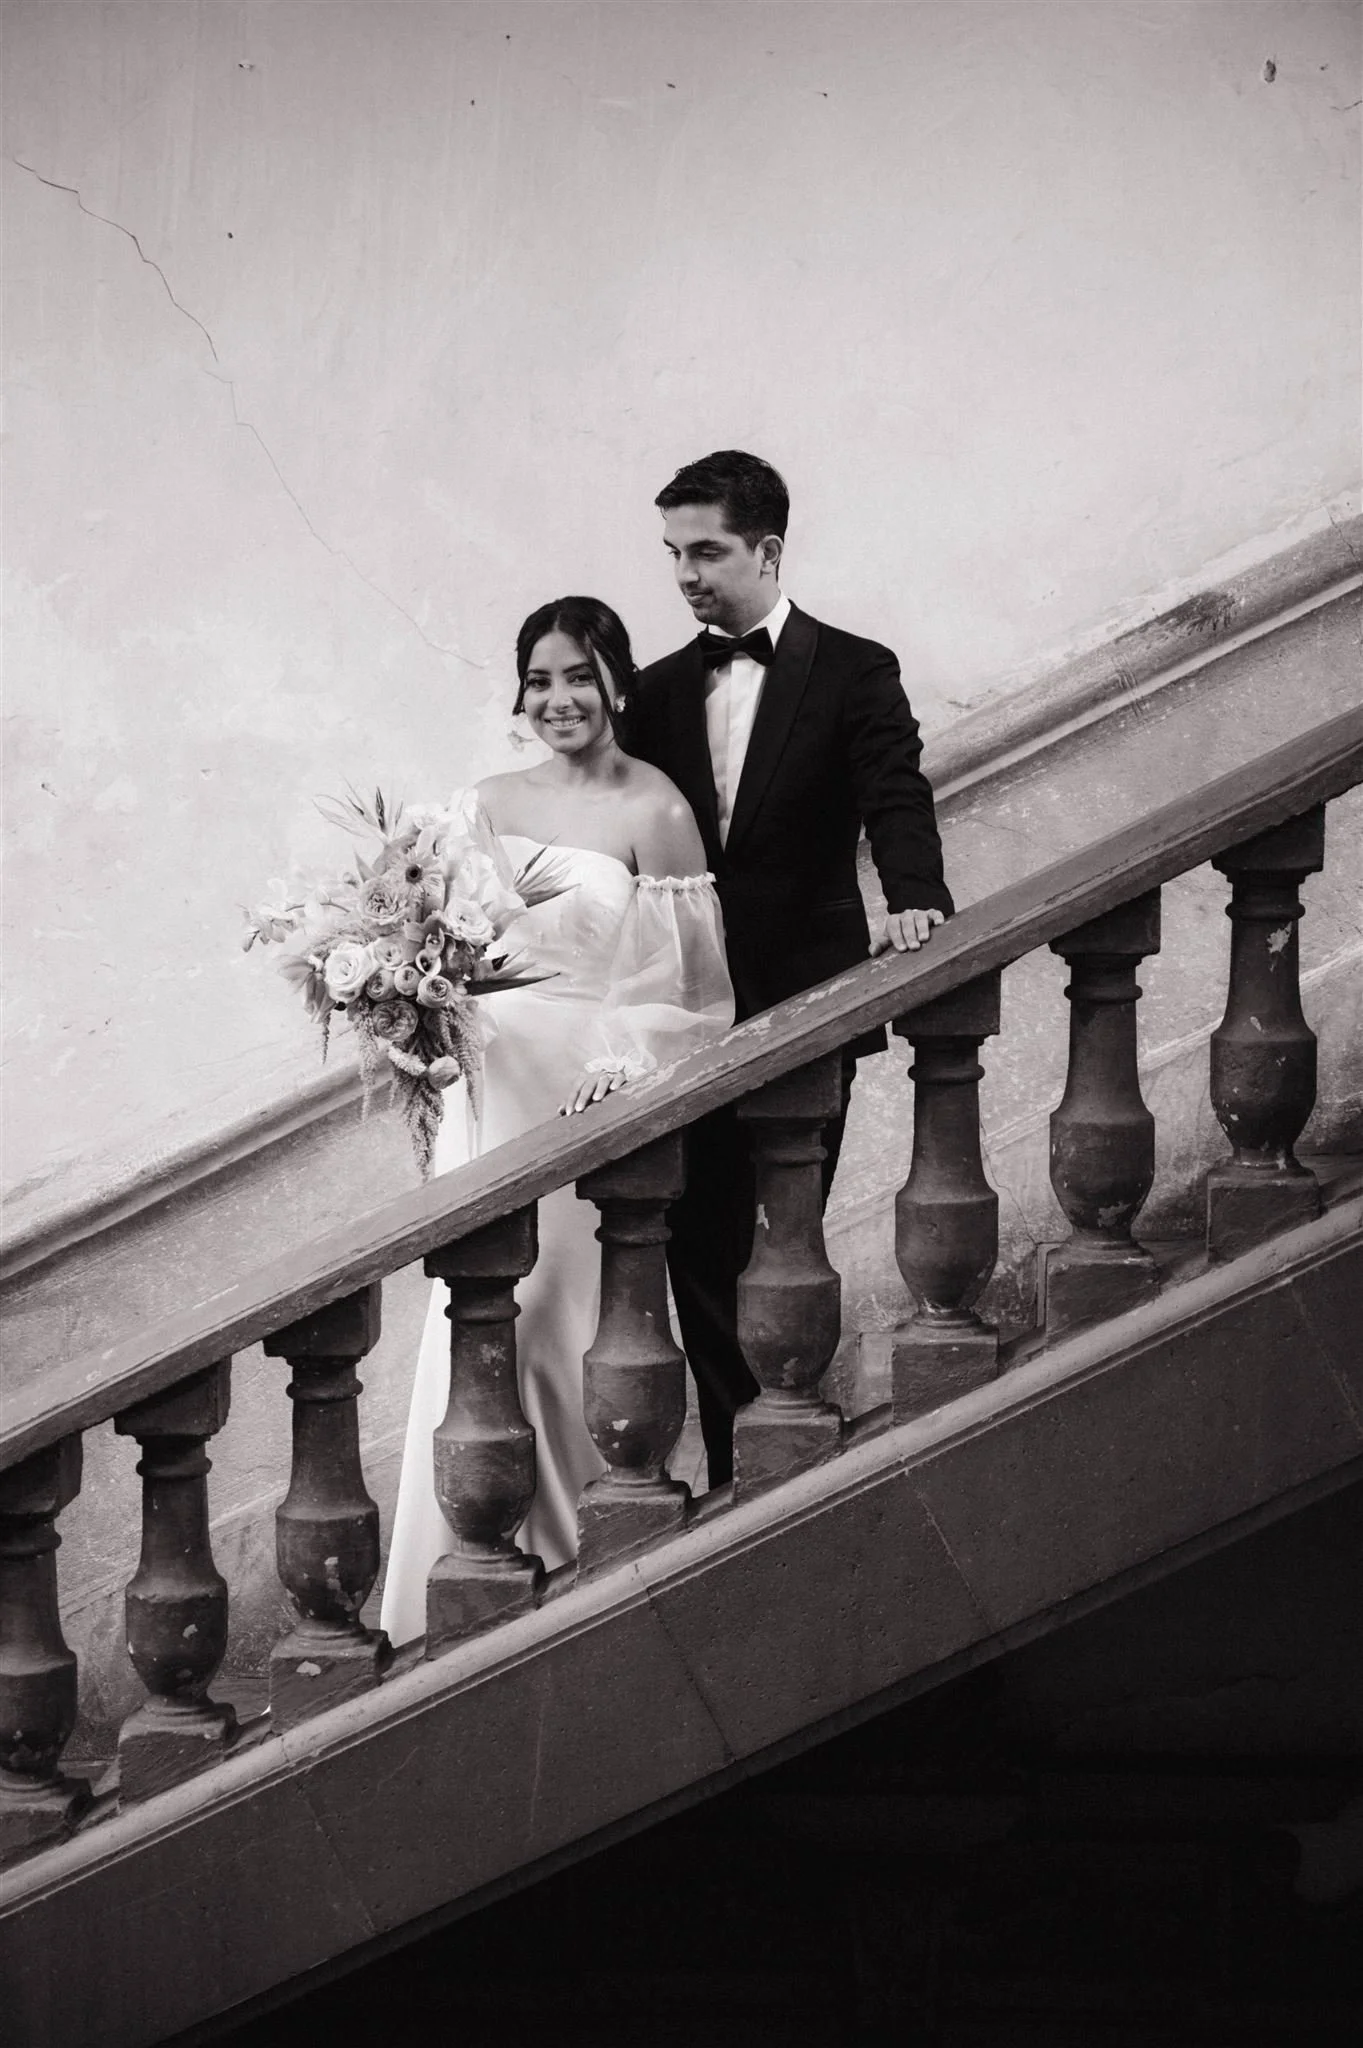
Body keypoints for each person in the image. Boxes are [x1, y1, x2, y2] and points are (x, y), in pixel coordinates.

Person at [380, 598, 733, 1647]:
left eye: (578, 675)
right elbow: (443, 945)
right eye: (538, 680)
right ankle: (464, 1571)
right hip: (487, 1089)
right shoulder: (484, 804)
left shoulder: (656, 808)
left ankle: (591, 1556)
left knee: (564, 1316)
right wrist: (411, 1005)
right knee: (476, 1317)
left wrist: (624, 1061)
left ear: (616, 679)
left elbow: (694, 987)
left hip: (584, 1092)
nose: (558, 698)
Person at [630, 450, 953, 1488]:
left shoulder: (854, 668)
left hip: (807, 1004)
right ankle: (743, 1469)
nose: (685, 573)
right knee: (696, 1248)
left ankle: (795, 1446)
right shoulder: (653, 692)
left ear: (767, 550)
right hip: (682, 1014)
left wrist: (914, 894)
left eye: (707, 550)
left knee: (783, 1240)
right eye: (673, 553)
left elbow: (894, 789)